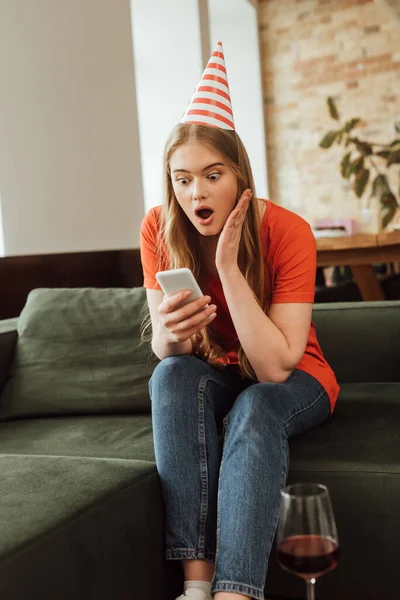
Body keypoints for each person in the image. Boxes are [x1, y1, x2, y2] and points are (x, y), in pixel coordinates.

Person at [140, 42, 339, 600]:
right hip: (218, 372)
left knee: (256, 404)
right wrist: (175, 330)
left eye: (211, 175)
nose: (195, 193)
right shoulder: (159, 227)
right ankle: (196, 588)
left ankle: (235, 594)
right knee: (170, 376)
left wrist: (227, 267)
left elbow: (276, 368)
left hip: (297, 378)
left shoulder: (288, 230)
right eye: (182, 179)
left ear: (239, 174)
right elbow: (165, 352)